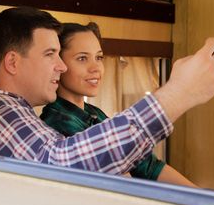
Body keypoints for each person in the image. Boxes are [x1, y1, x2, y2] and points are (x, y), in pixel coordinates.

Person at [0, 6, 214, 175]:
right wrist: (178, 94)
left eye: (99, 57)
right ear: (12, 62)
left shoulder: (14, 110)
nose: (61, 66)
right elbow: (59, 167)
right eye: (50, 54)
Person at [40, 22, 196, 186]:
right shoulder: (56, 123)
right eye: (82, 58)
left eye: (99, 57)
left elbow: (148, 166)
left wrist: (201, 195)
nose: (96, 68)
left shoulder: (94, 113)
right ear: (59, 64)